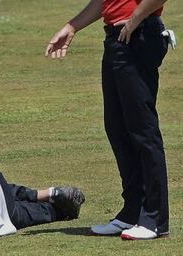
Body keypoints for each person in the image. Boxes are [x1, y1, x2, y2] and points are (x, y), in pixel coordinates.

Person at [45, 0, 170, 240]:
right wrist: (72, 26)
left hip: (139, 34)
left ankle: (154, 219)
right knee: (118, 128)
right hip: (118, 37)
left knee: (143, 131)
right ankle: (132, 212)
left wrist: (135, 19)